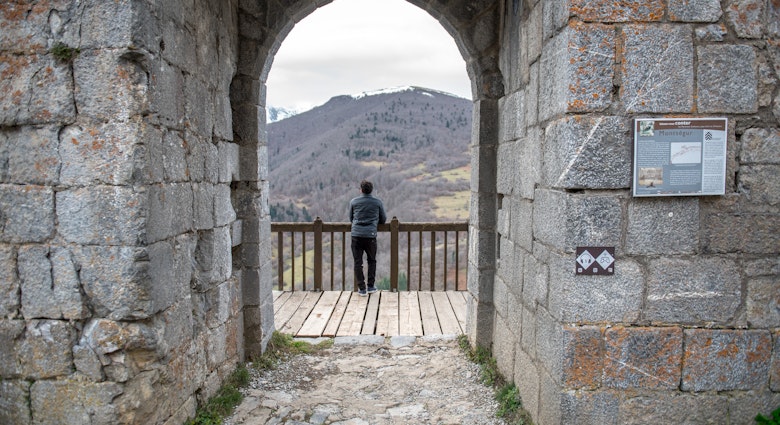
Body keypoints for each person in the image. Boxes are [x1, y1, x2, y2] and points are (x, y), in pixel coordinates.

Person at [348, 180, 387, 296]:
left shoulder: (354, 202)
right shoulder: (377, 202)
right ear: (371, 190)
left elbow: (351, 218)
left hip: (356, 235)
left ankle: (361, 288)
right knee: (372, 260)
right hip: (370, 235)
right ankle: (370, 286)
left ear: (361, 190)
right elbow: (383, 220)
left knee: (358, 262)